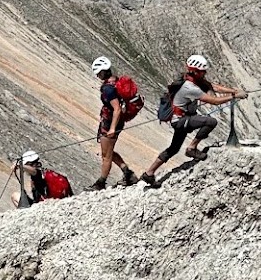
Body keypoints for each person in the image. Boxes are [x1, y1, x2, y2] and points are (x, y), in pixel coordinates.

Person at [140, 55, 246, 187]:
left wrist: (234, 91)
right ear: (195, 71)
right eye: (202, 71)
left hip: (180, 119)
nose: (205, 73)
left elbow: (213, 86)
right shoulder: (189, 87)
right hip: (181, 120)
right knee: (210, 122)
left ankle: (149, 173)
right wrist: (234, 96)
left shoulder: (191, 78)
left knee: (173, 149)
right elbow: (213, 101)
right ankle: (192, 148)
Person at [91, 56, 139, 190]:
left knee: (106, 155)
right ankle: (128, 173)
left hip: (110, 123)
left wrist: (112, 128)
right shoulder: (115, 81)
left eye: (98, 73)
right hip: (114, 122)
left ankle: (101, 183)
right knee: (108, 152)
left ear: (101, 72)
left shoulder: (108, 89)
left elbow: (117, 108)